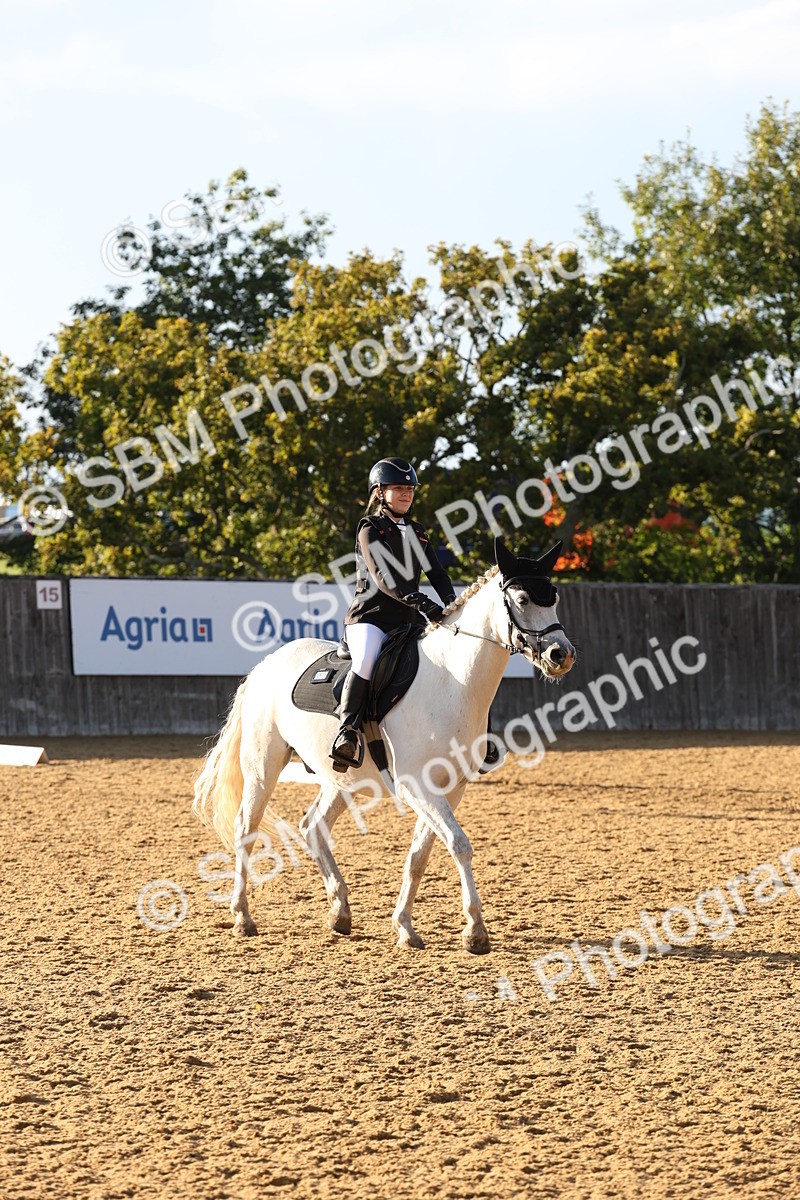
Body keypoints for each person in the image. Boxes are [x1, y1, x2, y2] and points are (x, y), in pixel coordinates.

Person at [329, 457, 457, 769]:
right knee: (367, 659)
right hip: (370, 617)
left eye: (410, 488)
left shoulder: (418, 531)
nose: (406, 494)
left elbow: (437, 574)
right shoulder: (370, 528)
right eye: (398, 488)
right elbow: (384, 578)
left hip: (407, 621)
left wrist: (453, 604)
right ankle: (347, 732)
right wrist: (423, 603)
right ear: (379, 493)